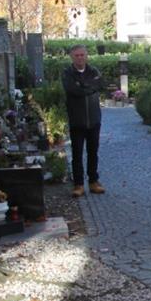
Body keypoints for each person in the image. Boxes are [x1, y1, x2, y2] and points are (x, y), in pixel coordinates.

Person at [62, 44, 105, 197]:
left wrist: (83, 87)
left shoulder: (94, 71)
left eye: (82, 55)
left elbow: (99, 85)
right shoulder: (68, 73)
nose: (80, 58)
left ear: (86, 56)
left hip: (94, 119)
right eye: (77, 55)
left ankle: (93, 181)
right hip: (77, 120)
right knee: (77, 154)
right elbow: (73, 90)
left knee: (93, 152)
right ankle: (78, 184)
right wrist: (87, 88)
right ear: (71, 57)